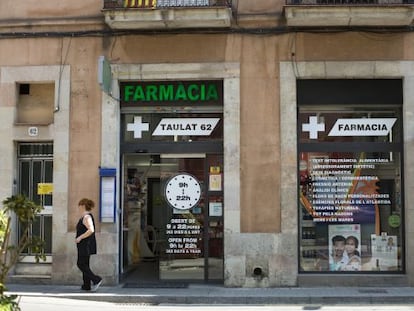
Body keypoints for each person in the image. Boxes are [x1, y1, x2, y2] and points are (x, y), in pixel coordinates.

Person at [76, 198, 103, 291]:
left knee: (80, 264)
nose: (78, 208)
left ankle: (96, 279)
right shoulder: (85, 217)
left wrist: (80, 237)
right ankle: (86, 285)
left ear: (83, 206)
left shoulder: (86, 217)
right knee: (85, 264)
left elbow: (91, 230)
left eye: (79, 206)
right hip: (85, 245)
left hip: (85, 245)